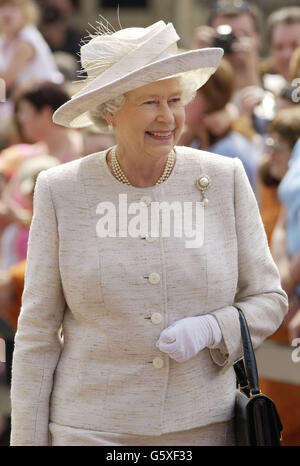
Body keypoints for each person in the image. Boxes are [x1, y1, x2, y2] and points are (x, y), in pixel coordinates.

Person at [10, 19, 288, 447]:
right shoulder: (61, 190)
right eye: (150, 102)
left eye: (175, 100)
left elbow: (269, 300)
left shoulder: (223, 178)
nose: (168, 116)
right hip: (89, 430)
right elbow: (38, 333)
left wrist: (214, 329)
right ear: (110, 109)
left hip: (205, 429)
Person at [180, 58, 260, 196]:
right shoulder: (197, 143)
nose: (181, 99)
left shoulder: (228, 151)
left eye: (190, 92)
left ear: (211, 99)